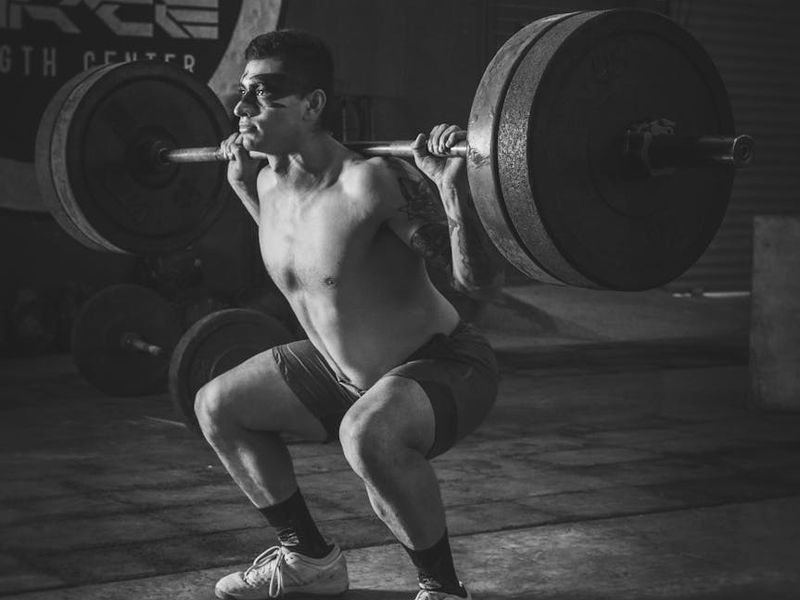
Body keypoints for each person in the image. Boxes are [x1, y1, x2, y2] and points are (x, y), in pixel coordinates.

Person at [198, 29, 505, 600]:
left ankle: (442, 588)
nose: (241, 107)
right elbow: (303, 264)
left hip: (443, 365)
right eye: (243, 92)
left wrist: (450, 190)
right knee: (218, 406)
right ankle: (308, 561)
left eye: (264, 93)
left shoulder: (373, 183)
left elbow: (479, 283)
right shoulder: (265, 181)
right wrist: (242, 187)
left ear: (313, 105)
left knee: (367, 435)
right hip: (343, 373)